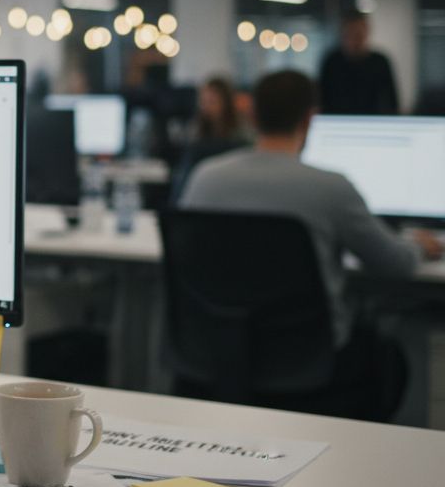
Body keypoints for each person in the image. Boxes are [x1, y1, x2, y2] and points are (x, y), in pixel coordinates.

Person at [180, 70, 441, 348]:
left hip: (219, 349)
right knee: (389, 355)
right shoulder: (331, 187)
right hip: (305, 356)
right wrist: (420, 247)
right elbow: (394, 263)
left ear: (252, 115)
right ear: (309, 119)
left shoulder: (204, 177)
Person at [168, 76, 249, 205]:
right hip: (201, 192)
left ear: (226, 103)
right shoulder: (196, 130)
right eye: (203, 101)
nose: (206, 107)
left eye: (212, 101)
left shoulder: (242, 135)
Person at [319, 11, 400, 115]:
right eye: (351, 33)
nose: (355, 39)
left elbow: (392, 101)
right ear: (343, 34)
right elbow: (322, 98)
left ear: (366, 32)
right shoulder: (331, 62)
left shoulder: (380, 62)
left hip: (373, 123)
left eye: (358, 34)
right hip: (337, 123)